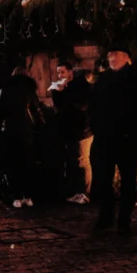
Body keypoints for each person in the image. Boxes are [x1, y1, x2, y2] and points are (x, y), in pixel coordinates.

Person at [90, 45, 137, 235]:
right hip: (104, 139)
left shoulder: (135, 80)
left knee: (127, 181)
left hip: (126, 140)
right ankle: (106, 216)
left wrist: (130, 128)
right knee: (103, 179)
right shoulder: (103, 80)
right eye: (110, 56)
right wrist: (96, 126)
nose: (111, 59)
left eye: (115, 55)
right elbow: (93, 106)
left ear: (125, 57)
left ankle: (124, 219)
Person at [0, 66, 44, 209]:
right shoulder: (30, 90)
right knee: (27, 162)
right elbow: (36, 109)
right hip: (26, 129)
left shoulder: (5, 90)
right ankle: (27, 196)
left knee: (13, 163)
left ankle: (15, 196)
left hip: (10, 129)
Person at [50, 60, 92, 204]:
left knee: (82, 161)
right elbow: (59, 107)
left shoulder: (81, 85)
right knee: (72, 161)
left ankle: (84, 193)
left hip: (82, 129)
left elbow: (82, 105)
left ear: (70, 72)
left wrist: (65, 91)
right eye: (58, 73)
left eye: (62, 72)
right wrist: (56, 92)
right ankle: (75, 192)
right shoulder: (64, 87)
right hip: (68, 129)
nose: (60, 75)